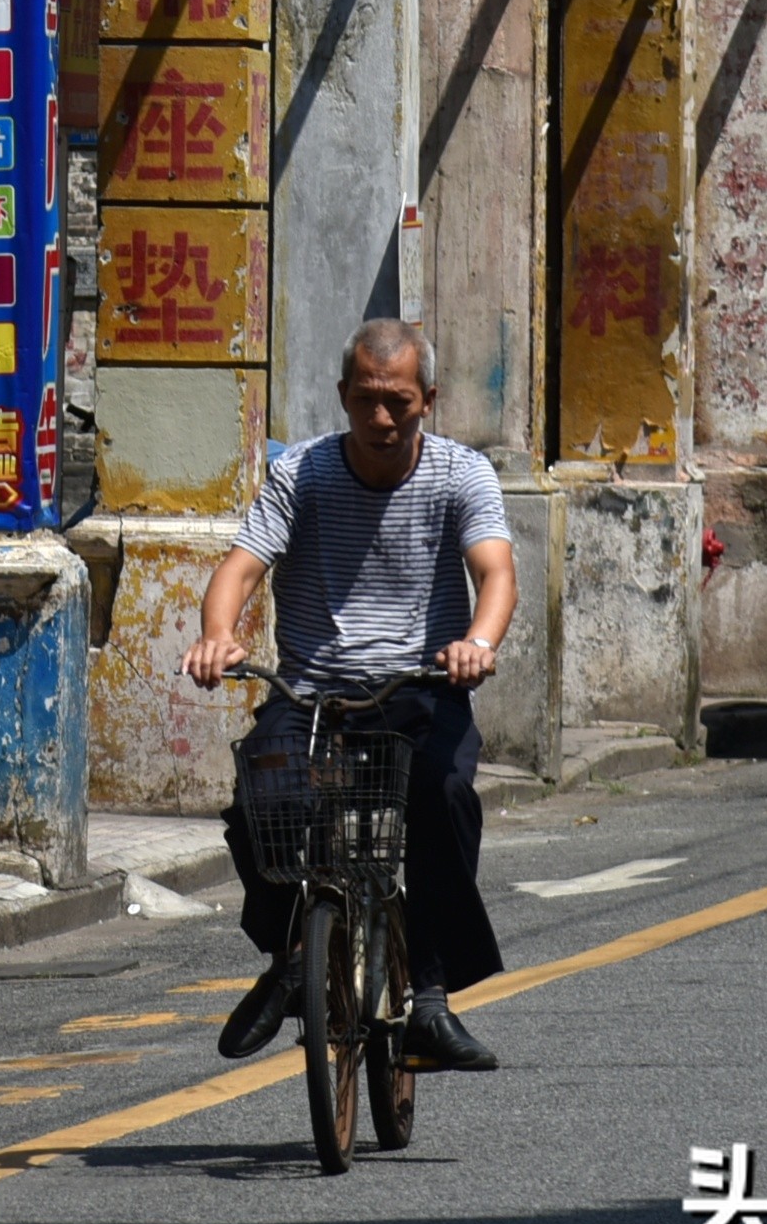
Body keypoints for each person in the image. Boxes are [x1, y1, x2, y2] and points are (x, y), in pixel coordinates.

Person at [180, 319, 519, 1074]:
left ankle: (429, 997)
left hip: (419, 687)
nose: (380, 418)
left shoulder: (461, 474)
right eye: (364, 399)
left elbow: (494, 572)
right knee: (258, 800)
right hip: (312, 693)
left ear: (427, 399)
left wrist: (477, 642)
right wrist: (217, 633)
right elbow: (239, 567)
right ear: (342, 395)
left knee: (444, 791)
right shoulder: (300, 473)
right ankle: (287, 954)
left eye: (397, 400)